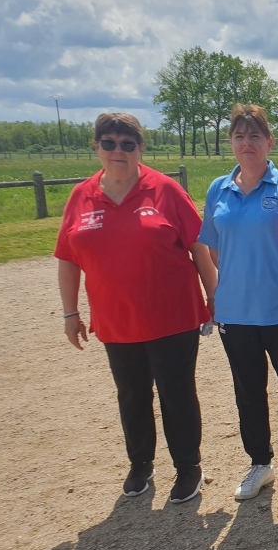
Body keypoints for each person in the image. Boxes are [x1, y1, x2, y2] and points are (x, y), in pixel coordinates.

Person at [55, 113, 216, 503]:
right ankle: (140, 463)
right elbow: (67, 257)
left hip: (172, 316)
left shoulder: (165, 191)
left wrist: (215, 297)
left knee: (176, 392)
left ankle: (188, 467)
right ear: (96, 148)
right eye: (108, 143)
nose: (118, 151)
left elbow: (198, 247)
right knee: (130, 393)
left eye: (127, 144)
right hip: (116, 320)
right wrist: (70, 313)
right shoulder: (81, 197)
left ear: (140, 149)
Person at [199, 104, 278, 502]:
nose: (247, 143)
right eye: (239, 136)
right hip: (236, 312)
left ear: (269, 142)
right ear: (230, 143)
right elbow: (214, 251)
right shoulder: (219, 189)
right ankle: (259, 463)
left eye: (255, 136)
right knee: (248, 391)